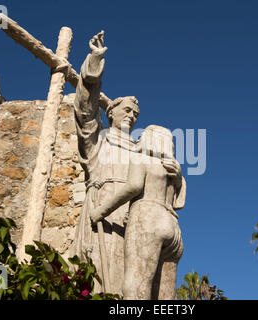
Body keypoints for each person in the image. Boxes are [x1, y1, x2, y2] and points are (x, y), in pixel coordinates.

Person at [72, 31, 183, 296]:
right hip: (105, 212)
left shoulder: (143, 150)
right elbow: (85, 111)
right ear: (110, 113)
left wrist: (177, 176)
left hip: (135, 218)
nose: (132, 116)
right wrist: (94, 63)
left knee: (133, 286)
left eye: (136, 114)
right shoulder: (98, 141)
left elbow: (167, 195)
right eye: (127, 111)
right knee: (99, 278)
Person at [90, 125, 186, 299]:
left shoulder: (141, 158)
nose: (139, 139)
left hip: (147, 218)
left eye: (142, 136)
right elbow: (179, 203)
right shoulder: (174, 169)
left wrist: (101, 211)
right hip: (173, 225)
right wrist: (179, 180)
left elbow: (134, 187)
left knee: (136, 286)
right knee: (165, 294)